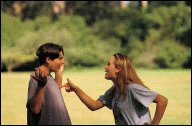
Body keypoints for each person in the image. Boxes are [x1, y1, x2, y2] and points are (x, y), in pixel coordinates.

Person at [61, 53, 168, 125]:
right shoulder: (114, 90)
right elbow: (94, 106)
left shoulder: (132, 88)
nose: (105, 67)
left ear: (118, 69)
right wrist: (76, 90)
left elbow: (162, 100)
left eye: (108, 64)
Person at [26, 43, 71, 125]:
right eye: (60, 58)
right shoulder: (36, 80)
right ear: (48, 60)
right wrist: (41, 85)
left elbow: (55, 97)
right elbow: (35, 109)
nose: (63, 61)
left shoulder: (49, 78)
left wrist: (59, 72)